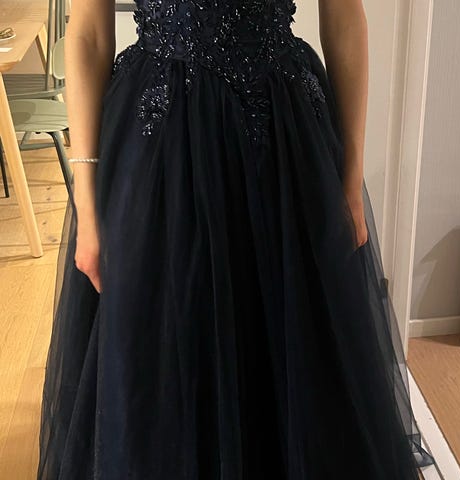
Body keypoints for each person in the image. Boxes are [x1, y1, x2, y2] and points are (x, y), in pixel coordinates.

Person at [37, 0, 437, 478]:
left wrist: (350, 179)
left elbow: (345, 18)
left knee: (294, 363)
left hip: (282, 144)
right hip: (161, 150)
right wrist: (86, 200)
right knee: (160, 356)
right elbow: (87, 34)